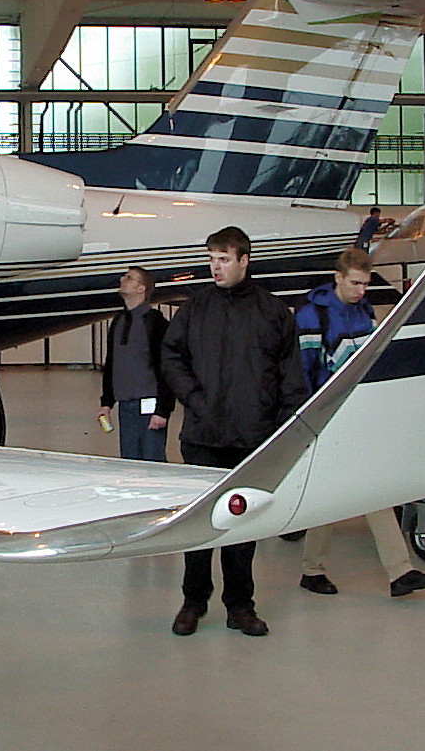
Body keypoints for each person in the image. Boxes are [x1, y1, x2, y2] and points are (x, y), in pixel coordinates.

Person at [161, 226, 308, 637]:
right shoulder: (196, 307)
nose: (215, 267)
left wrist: (283, 433)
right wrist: (195, 397)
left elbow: (290, 378)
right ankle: (193, 601)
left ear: (245, 260)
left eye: (224, 259)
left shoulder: (273, 313)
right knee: (199, 527)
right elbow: (171, 355)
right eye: (211, 259)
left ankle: (240, 606)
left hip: (252, 438)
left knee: (242, 529)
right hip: (203, 435)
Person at [294, 247, 425, 598]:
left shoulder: (364, 310)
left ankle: (385, 572)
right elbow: (302, 369)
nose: (362, 290)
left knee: (347, 491)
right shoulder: (311, 316)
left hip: (357, 412)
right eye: (355, 283)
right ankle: (389, 572)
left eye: (365, 283)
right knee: (340, 493)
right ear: (338, 278)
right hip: (325, 414)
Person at [97, 266, 173, 461]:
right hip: (126, 406)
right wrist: (106, 403)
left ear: (142, 288)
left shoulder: (156, 323)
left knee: (152, 460)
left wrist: (163, 410)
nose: (123, 279)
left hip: (150, 405)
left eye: (130, 278)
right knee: (129, 461)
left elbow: (167, 369)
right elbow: (111, 363)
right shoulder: (118, 321)